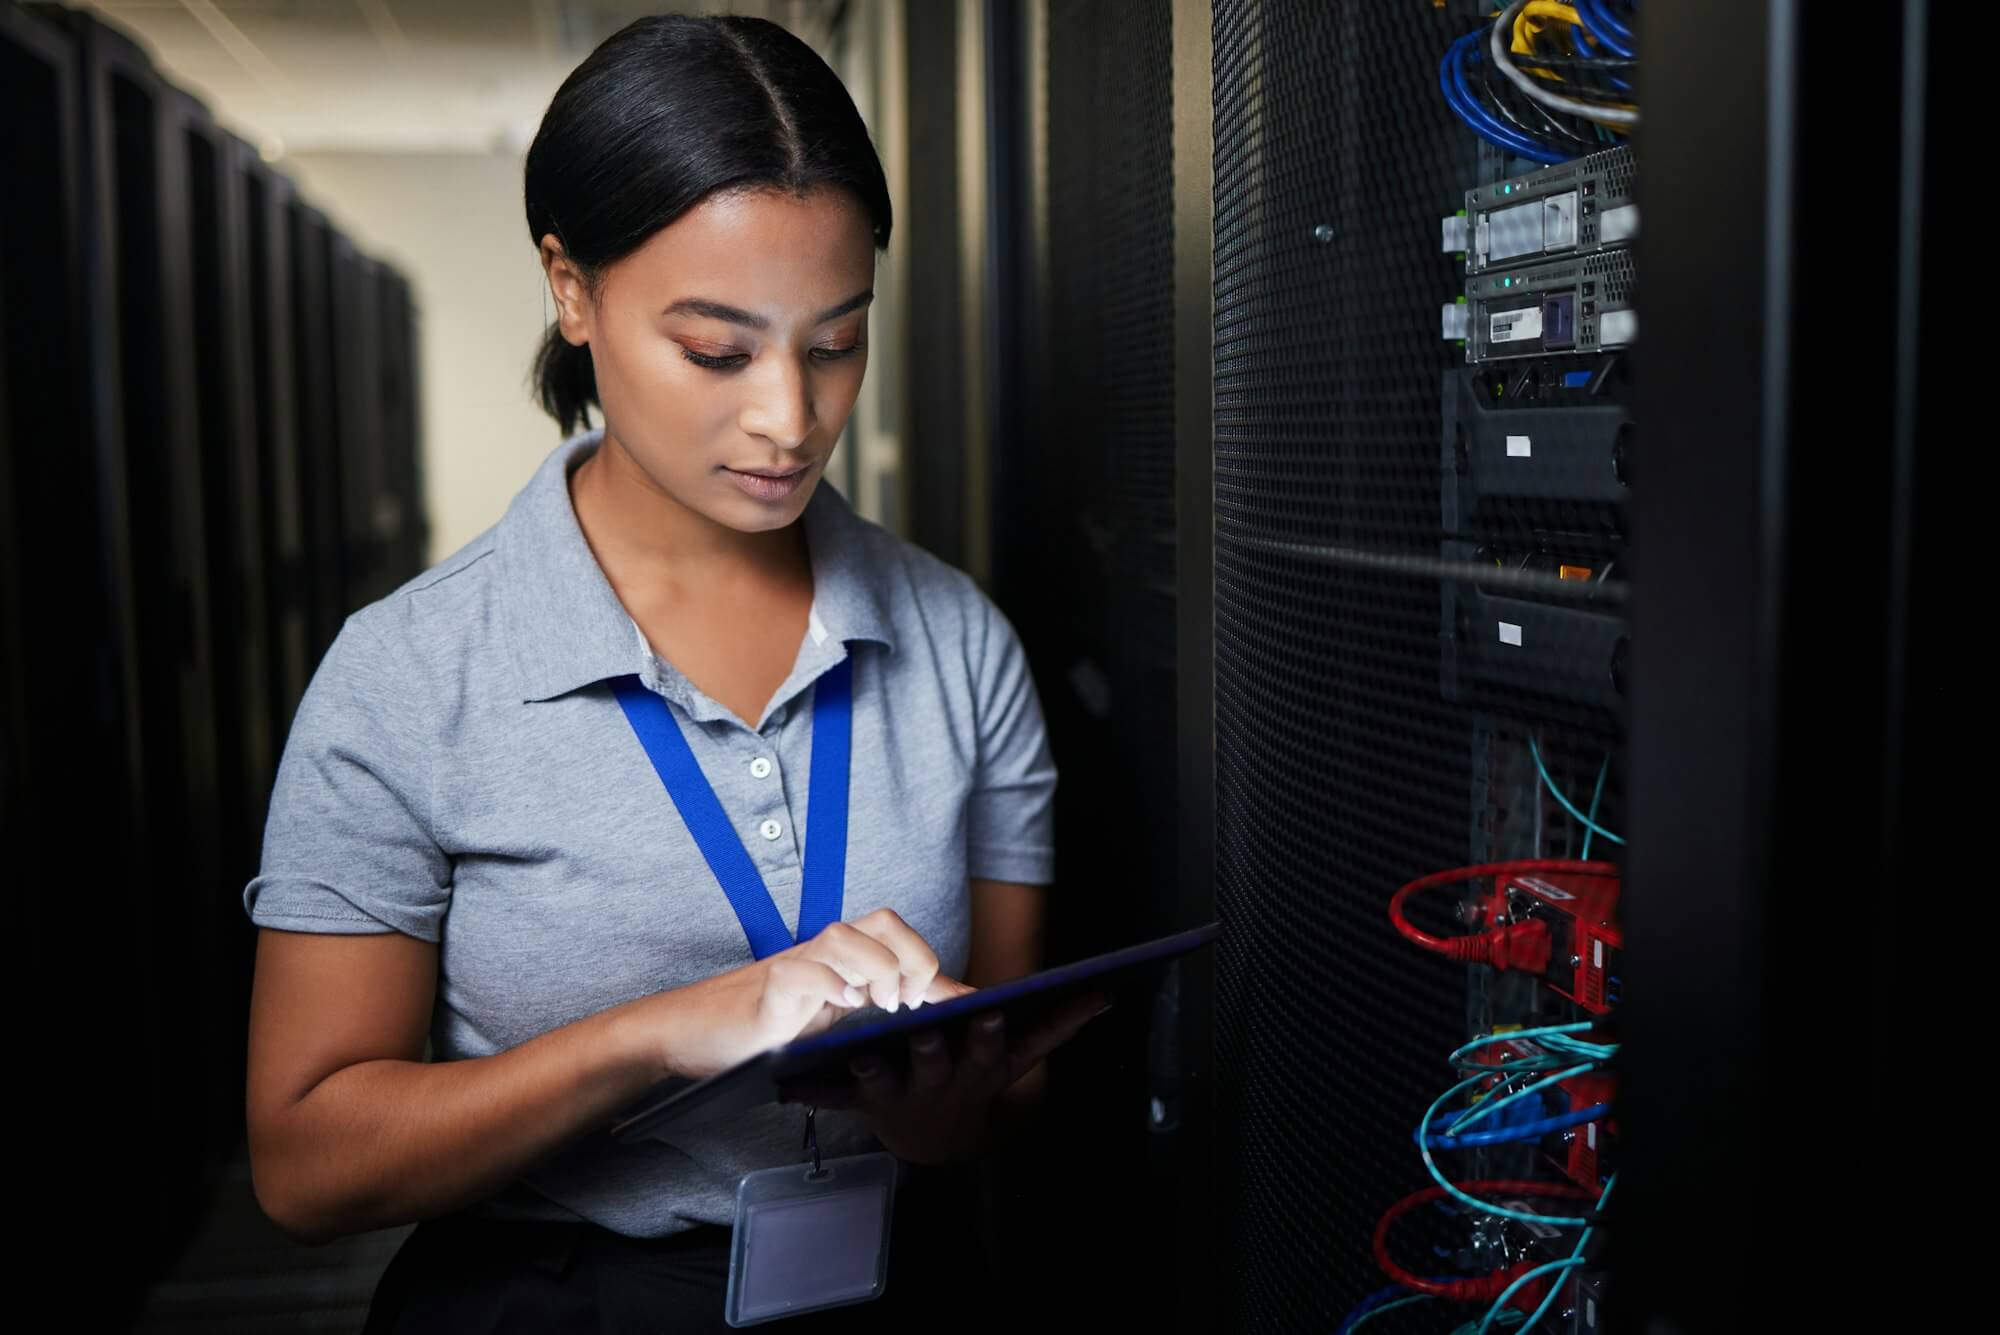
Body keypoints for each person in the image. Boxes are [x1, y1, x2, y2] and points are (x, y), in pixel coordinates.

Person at [241, 14, 1096, 1331]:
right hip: (557, 1300)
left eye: (835, 342)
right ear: (571, 289)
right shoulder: (409, 676)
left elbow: (1009, 1084)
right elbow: (307, 1166)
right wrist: (666, 1030)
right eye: (717, 350)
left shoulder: (958, 641)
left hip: (895, 1282)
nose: (789, 418)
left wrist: (938, 1114)